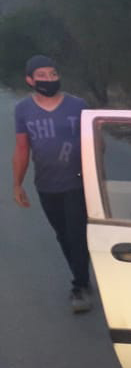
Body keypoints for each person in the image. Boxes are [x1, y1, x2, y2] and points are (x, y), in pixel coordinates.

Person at [12, 55, 92, 313]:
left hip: (78, 181)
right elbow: (22, 148)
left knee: (78, 234)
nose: (49, 79)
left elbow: (94, 141)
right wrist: (17, 184)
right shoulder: (23, 110)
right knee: (64, 235)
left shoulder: (78, 105)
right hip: (46, 184)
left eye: (53, 74)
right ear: (30, 80)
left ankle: (79, 286)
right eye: (42, 76)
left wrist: (96, 167)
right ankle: (82, 275)